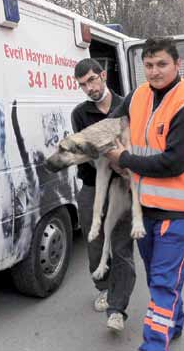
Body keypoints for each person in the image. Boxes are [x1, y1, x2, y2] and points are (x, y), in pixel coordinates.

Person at [106, 37, 184, 350]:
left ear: (178, 65)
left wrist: (123, 159)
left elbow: (174, 164)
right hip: (144, 208)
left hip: (176, 213)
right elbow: (112, 123)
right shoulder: (138, 95)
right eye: (149, 65)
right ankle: (174, 323)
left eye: (162, 64)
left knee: (163, 284)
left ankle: (153, 344)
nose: (154, 71)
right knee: (158, 278)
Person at [72, 58, 136, 332]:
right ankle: (103, 286)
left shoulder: (129, 104)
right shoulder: (80, 114)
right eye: (83, 85)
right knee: (95, 241)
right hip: (91, 188)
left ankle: (117, 308)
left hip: (122, 188)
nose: (89, 88)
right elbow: (87, 153)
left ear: (103, 75)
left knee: (121, 247)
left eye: (92, 80)